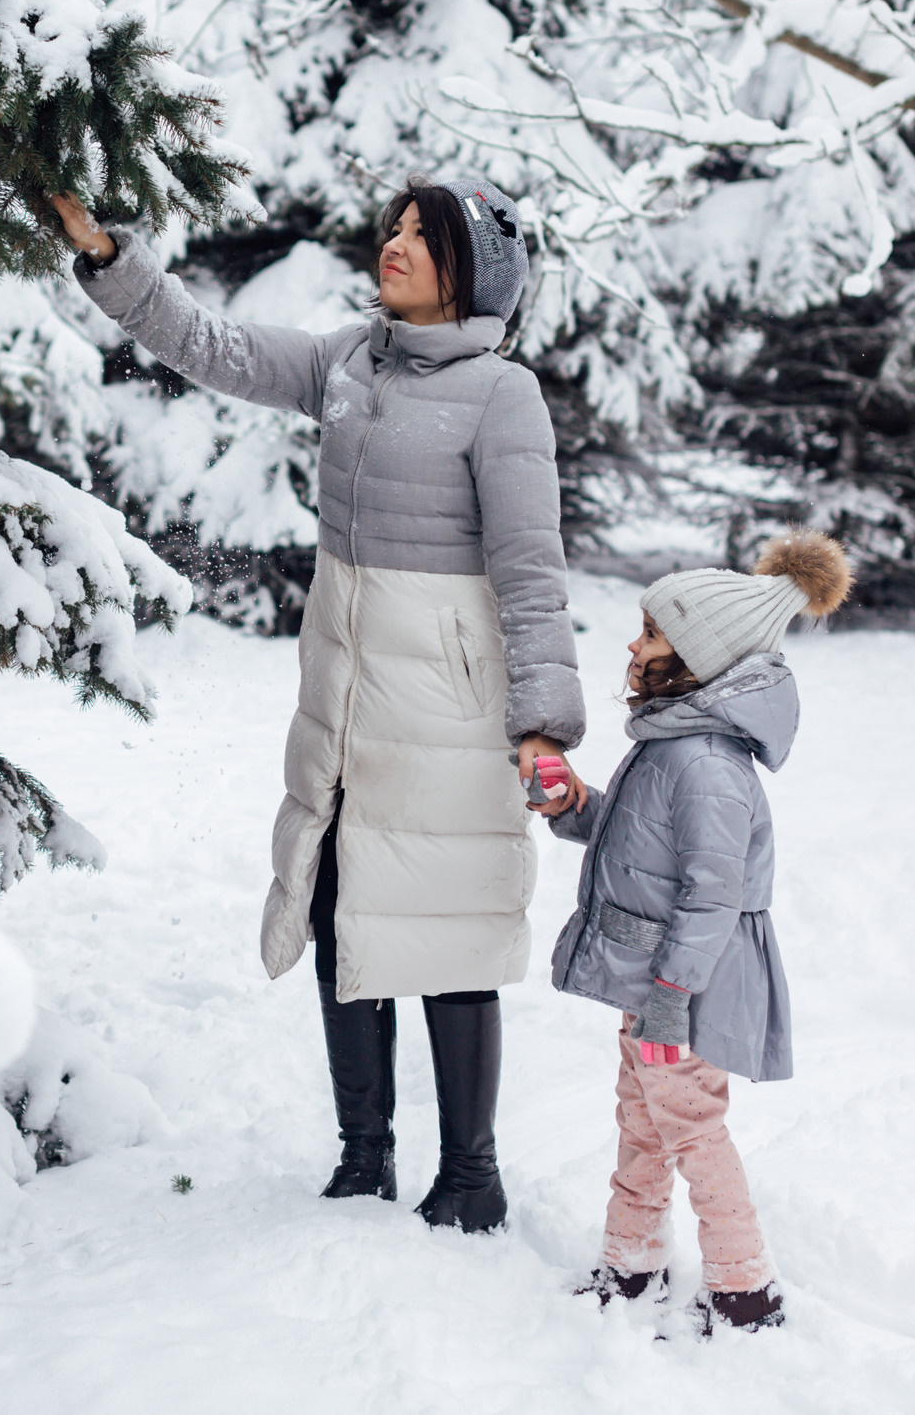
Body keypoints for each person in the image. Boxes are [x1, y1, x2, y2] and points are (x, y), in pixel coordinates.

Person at [50, 181, 585, 1233]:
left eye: (421, 239)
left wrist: (542, 720)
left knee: (450, 922)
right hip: (345, 695)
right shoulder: (351, 358)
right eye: (393, 228)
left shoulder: (499, 395)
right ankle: (363, 1156)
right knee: (341, 909)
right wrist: (113, 259)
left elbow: (530, 568)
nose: (394, 246)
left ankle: (470, 1175)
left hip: (447, 705)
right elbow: (214, 347)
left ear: (468, 273)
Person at [546, 532, 853, 1334]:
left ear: (695, 658)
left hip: (680, 993)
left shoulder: (708, 767)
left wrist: (672, 999)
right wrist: (574, 805)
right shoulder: (673, 744)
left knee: (690, 1130)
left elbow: (711, 897)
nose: (631, 643)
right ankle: (633, 1263)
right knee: (644, 1123)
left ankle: (746, 1289)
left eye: (650, 633)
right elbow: (637, 841)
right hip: (652, 987)